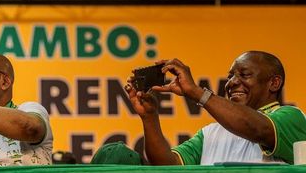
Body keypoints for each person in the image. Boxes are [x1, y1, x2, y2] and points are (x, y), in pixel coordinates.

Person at [125, 51, 306, 165]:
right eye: (230, 77)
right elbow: (167, 166)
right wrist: (149, 116)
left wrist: (197, 93)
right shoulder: (210, 133)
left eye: (244, 75)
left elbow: (257, 128)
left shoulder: (291, 117)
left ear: (274, 83)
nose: (232, 82)